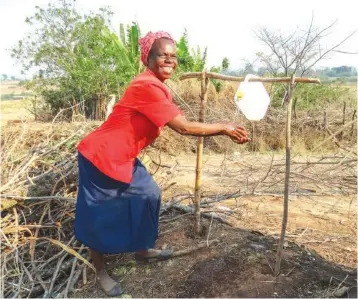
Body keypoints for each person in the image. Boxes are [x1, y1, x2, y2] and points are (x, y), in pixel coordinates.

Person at [74, 31, 249, 296]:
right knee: (99, 215)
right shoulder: (146, 85)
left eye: (173, 56)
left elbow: (178, 119)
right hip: (100, 156)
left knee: (149, 194)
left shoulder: (157, 86)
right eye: (162, 55)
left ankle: (143, 249)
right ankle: (100, 271)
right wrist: (224, 127)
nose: (169, 60)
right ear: (149, 57)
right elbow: (184, 128)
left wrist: (222, 127)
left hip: (124, 156)